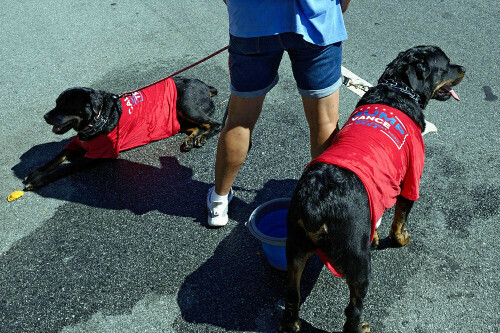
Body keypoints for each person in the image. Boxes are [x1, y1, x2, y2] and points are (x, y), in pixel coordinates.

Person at [207, 0, 352, 227]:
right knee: (325, 123)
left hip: (251, 20)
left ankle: (218, 202)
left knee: (239, 121)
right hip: (316, 17)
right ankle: (328, 206)